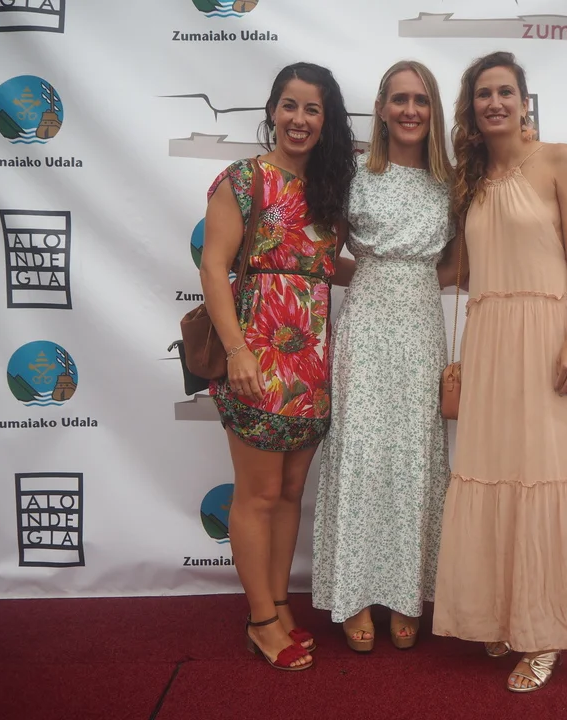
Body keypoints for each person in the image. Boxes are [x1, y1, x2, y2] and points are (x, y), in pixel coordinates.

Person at [431, 51, 567, 692]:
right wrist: (364, 269)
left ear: (523, 101)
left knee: (546, 476)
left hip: (548, 339)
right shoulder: (470, 180)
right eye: (483, 94)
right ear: (471, 108)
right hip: (490, 344)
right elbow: (457, 271)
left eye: (505, 92)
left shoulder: (559, 159)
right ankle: (505, 616)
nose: (495, 103)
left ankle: (546, 634)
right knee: (497, 471)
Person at [199, 62, 356, 671]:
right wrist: (237, 351)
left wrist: (399, 268)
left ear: (326, 120)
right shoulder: (243, 180)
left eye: (313, 109)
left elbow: (322, 266)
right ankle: (260, 620)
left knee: (290, 494)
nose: (299, 119)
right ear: (272, 111)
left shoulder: (327, 190)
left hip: (312, 361)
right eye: (290, 105)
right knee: (259, 493)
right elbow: (214, 267)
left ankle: (281, 605)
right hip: (257, 357)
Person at [312, 60, 455, 652]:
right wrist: (377, 275)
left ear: (434, 109)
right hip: (366, 326)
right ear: (380, 108)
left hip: (421, 328)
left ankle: (404, 593)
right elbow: (323, 254)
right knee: (361, 453)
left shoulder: (451, 182)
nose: (410, 110)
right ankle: (353, 593)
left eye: (421, 100)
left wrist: (410, 279)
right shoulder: (354, 175)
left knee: (415, 455)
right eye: (399, 99)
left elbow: (459, 263)